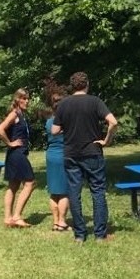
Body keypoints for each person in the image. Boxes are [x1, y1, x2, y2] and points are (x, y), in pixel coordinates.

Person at [52, 72, 118, 243]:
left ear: (72, 86)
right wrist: (106, 140)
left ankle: (80, 235)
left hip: (71, 153)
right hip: (92, 152)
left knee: (74, 193)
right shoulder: (95, 101)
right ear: (87, 84)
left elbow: (54, 131)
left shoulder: (63, 104)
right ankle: (99, 235)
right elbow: (113, 122)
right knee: (97, 192)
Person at [0, 88, 36, 228]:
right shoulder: (14, 114)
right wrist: (10, 143)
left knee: (13, 185)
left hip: (16, 154)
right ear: (17, 99)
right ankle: (17, 217)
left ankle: (8, 218)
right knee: (30, 183)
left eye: (27, 98)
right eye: (23, 98)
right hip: (17, 153)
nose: (27, 101)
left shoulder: (22, 114)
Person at [45, 91, 70, 232]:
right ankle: (62, 222)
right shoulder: (66, 122)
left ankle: (55, 222)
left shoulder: (49, 122)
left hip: (50, 156)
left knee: (54, 192)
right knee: (64, 191)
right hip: (63, 156)